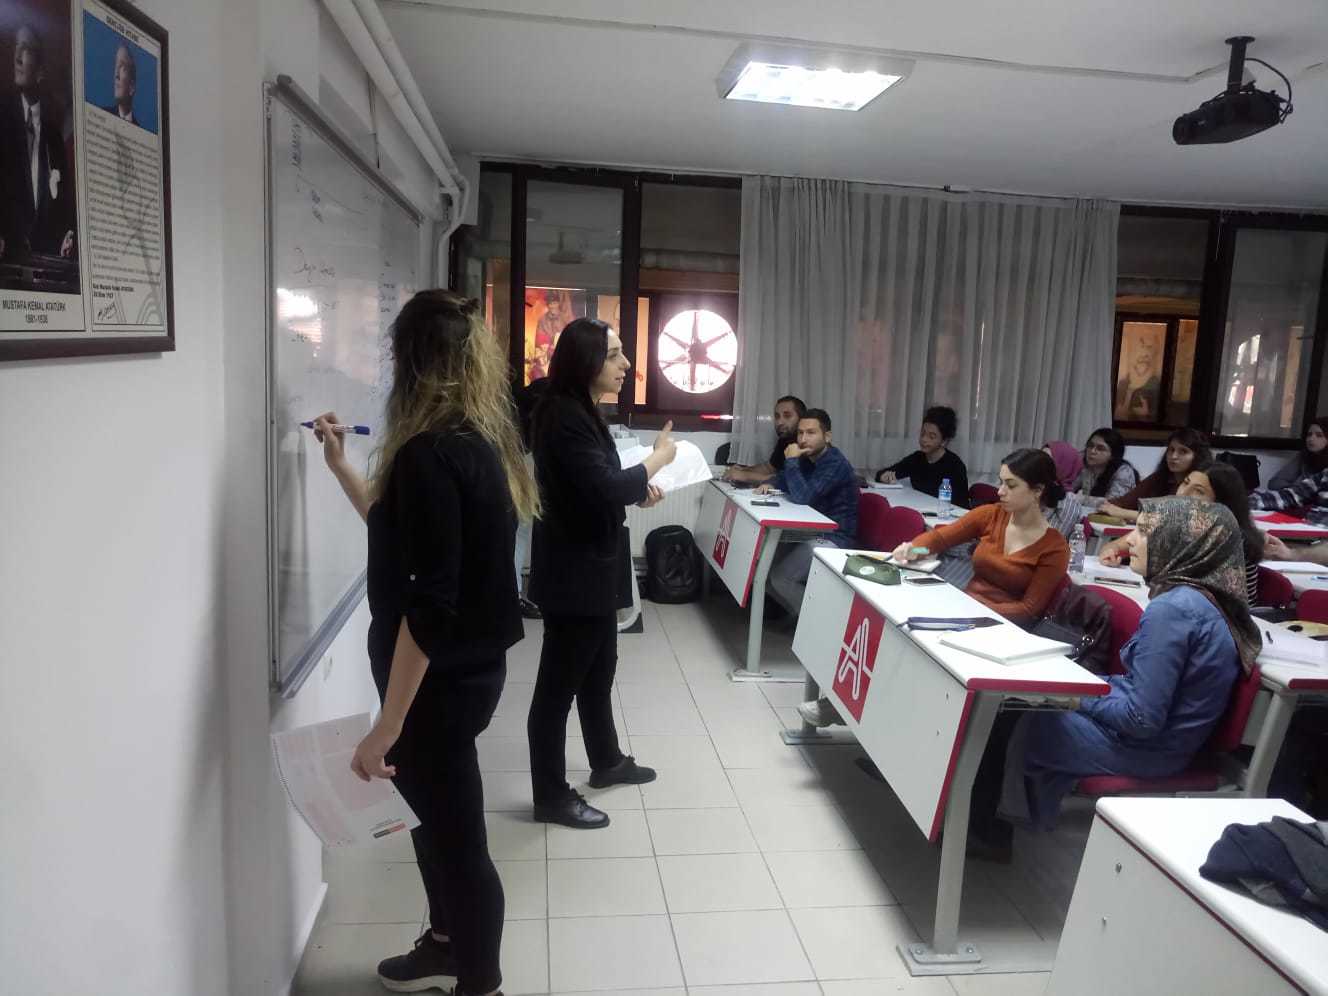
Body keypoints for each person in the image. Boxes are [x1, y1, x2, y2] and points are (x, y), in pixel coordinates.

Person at [316, 290, 539, 996]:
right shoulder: (473, 444)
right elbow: (401, 535)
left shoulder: (427, 455)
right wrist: (341, 466)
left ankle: (481, 982)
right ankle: (445, 945)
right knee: (430, 824)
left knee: (458, 842)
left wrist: (387, 726)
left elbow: (430, 608)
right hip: (461, 676)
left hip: (435, 687)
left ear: (407, 362)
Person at [970, 499, 1260, 859]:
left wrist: (1074, 696)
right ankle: (986, 822)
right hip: (1159, 742)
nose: (1130, 540)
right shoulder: (1203, 598)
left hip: (1146, 751)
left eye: (1145, 532)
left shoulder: (1172, 611)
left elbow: (1140, 719)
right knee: (1023, 702)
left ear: (1180, 544)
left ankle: (987, 832)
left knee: (1012, 713)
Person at [526, 318, 675, 830]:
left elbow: (597, 485)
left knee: (599, 669)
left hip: (593, 562)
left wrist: (638, 489)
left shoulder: (583, 408)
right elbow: (605, 487)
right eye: (614, 354)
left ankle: (606, 760)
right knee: (556, 690)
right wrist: (657, 461)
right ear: (584, 361)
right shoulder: (562, 415)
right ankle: (550, 795)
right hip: (574, 572)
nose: (626, 364)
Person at [801, 448, 1069, 730]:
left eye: (1011, 485)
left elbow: (1028, 610)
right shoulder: (992, 515)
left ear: (1037, 491)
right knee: (898, 635)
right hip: (962, 615)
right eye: (1001, 482)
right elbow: (940, 539)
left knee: (916, 652)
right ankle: (847, 704)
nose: (1000, 491)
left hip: (1000, 630)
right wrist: (913, 549)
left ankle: (854, 711)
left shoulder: (1054, 548)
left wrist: (971, 610)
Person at [1099, 464, 1264, 603]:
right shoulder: (1180, 525)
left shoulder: (1229, 538)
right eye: (1185, 483)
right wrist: (1111, 551)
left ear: (1221, 504)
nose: (1183, 494)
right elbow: (1118, 544)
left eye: (1198, 491)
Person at [755, 408, 860, 613]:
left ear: (827, 436)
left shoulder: (835, 463)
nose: (803, 439)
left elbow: (804, 497)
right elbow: (782, 479)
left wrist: (791, 460)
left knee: (781, 578)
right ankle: (798, 617)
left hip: (834, 538)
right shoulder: (806, 458)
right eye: (800, 433)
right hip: (809, 531)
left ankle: (822, 620)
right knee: (763, 570)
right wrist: (770, 483)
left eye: (811, 433)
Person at [1, 25, 76, 260]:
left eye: (25, 48)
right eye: (16, 46)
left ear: (41, 71)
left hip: (45, 267)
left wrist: (67, 235)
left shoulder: (54, 136)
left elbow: (63, 205)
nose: (17, 57)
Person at [1099, 428, 1211, 523]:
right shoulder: (1161, 476)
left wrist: (1124, 513)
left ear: (1198, 456)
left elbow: (1174, 519)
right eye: (1171, 450)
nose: (1174, 456)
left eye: (1183, 451)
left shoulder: (1202, 483)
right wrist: (1106, 507)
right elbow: (1124, 502)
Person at [874, 405, 970, 508]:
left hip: (943, 515)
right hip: (920, 510)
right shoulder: (917, 458)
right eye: (922, 434)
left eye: (931, 437)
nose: (924, 439)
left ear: (944, 441)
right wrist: (883, 477)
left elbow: (961, 507)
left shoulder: (955, 466)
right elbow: (884, 473)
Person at [512, 376, 549, 620]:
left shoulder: (539, 391)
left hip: (518, 459)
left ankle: (513, 593)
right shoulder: (547, 397)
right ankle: (512, 594)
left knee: (521, 527)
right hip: (513, 461)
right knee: (518, 529)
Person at [724, 394, 807, 484]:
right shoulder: (785, 440)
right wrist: (742, 470)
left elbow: (789, 481)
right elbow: (769, 468)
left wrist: (745, 476)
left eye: (787, 416)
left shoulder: (807, 443)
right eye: (777, 416)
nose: (780, 422)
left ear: (801, 419)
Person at [1071, 427, 1138, 510]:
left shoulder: (1124, 472)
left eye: (1100, 448)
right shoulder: (1085, 465)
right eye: (1090, 446)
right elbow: (1069, 488)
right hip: (1093, 513)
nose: (1092, 451)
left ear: (1113, 455)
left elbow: (1113, 503)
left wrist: (1077, 498)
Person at [1268, 417, 1328, 491]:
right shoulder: (1304, 456)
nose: (1311, 439)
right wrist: (1296, 491)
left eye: (1319, 435)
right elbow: (1274, 482)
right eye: (1309, 434)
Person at [103, 43, 138, 125]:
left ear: (132, 87)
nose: (116, 75)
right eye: (116, 65)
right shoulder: (103, 115)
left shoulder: (140, 130)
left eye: (123, 67)